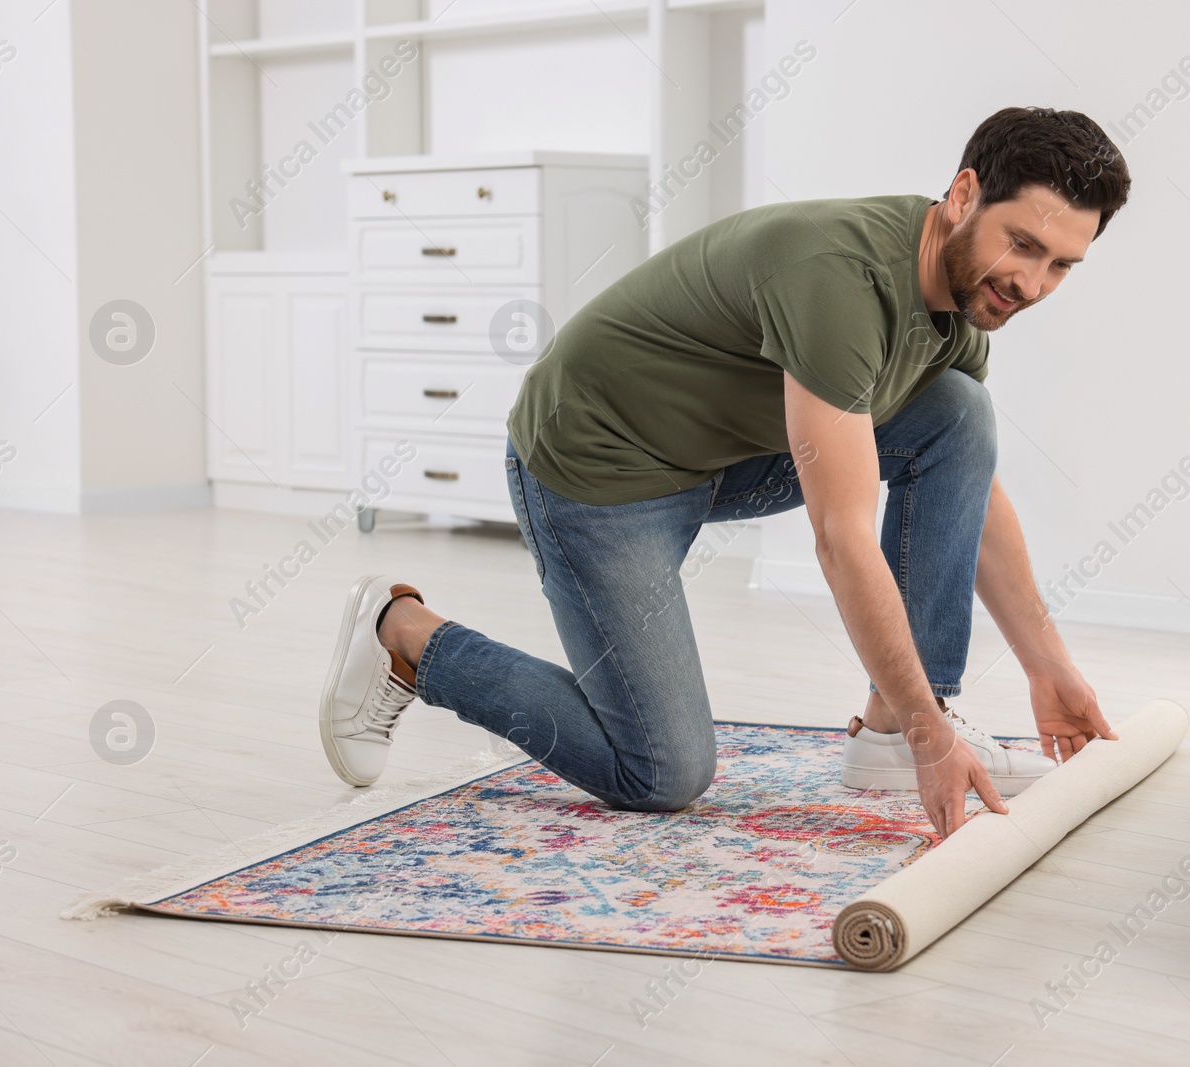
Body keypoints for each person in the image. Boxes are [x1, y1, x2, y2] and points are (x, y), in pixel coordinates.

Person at [318, 107, 1129, 838]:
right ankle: (406, 637)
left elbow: (971, 493)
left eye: (1060, 264)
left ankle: (894, 723)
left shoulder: (963, 311)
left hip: (718, 459)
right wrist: (935, 740)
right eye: (1021, 244)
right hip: (599, 471)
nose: (1030, 283)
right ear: (962, 196)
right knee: (663, 773)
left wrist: (1047, 665)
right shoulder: (843, 280)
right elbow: (841, 536)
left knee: (957, 412)